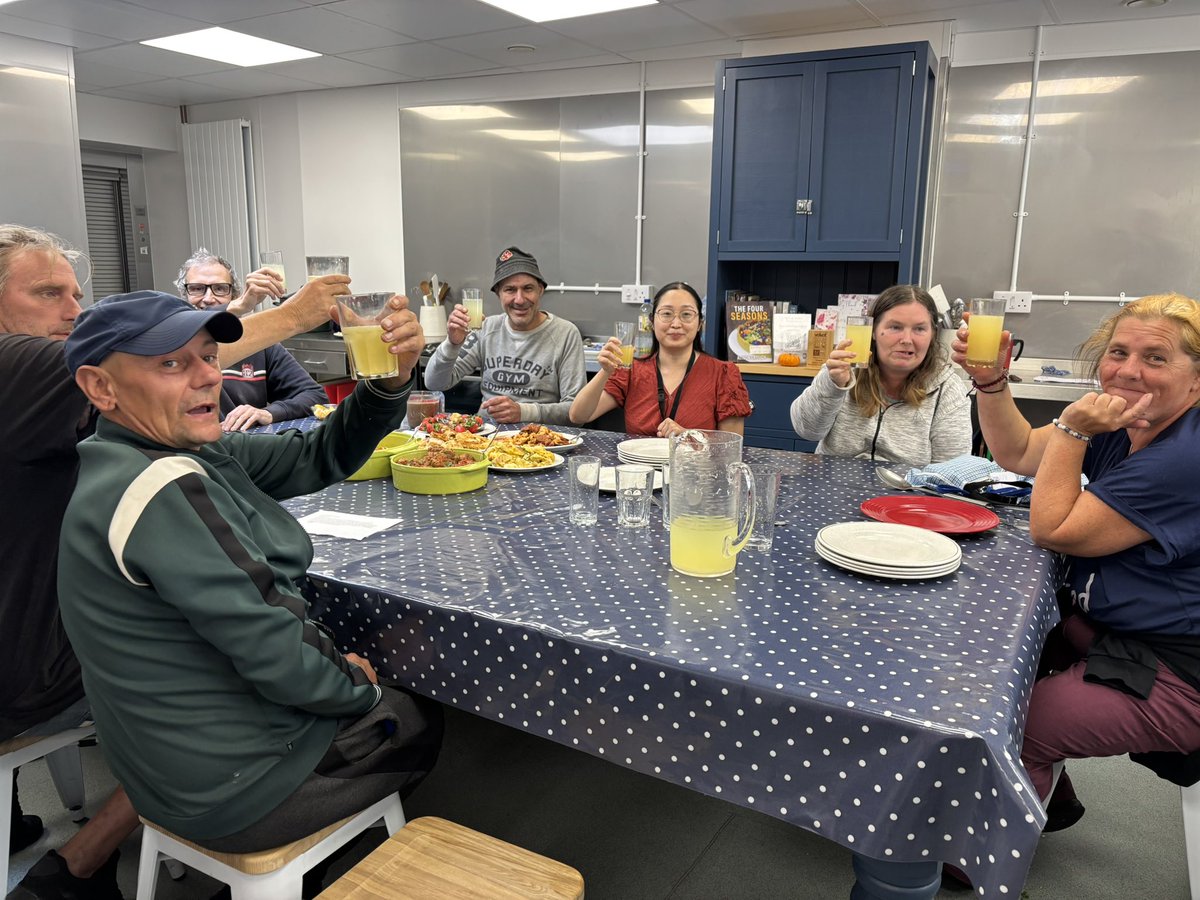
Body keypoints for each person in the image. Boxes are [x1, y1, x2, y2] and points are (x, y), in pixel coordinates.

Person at [0, 223, 352, 899]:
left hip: (47, 628)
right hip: (35, 663)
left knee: (202, 631)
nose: (72, 311)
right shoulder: (14, 367)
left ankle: (84, 854)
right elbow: (135, 363)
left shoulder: (115, 437)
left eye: (76, 293)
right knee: (224, 652)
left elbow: (281, 441)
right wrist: (296, 314)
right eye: (47, 293)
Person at [54, 291, 441, 862]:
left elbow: (318, 454)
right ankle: (328, 870)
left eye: (209, 356)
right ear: (100, 388)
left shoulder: (146, 452)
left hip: (161, 772)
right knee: (417, 717)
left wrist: (388, 383)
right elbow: (276, 648)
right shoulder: (161, 486)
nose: (207, 377)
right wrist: (360, 687)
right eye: (171, 363)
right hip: (235, 789)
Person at [954, 292, 1200, 832]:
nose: (1128, 371)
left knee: (1023, 720)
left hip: (1179, 669)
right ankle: (1046, 795)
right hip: (1119, 626)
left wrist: (1072, 429)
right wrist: (993, 384)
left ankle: (978, 860)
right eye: (1117, 353)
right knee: (998, 655)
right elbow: (1017, 453)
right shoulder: (1134, 424)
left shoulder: (1182, 457)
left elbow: (1054, 528)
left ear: (1196, 379)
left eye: (1155, 358)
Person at [789, 284, 971, 466]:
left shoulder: (947, 388)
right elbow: (807, 431)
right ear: (873, 331)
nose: (907, 340)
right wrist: (832, 386)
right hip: (834, 486)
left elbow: (950, 470)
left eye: (919, 329)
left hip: (908, 491)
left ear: (932, 335)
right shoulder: (844, 366)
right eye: (895, 327)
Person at [423, 246, 586, 425]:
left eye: (528, 288)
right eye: (510, 290)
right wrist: (452, 344)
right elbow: (434, 384)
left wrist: (524, 412)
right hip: (484, 436)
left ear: (540, 290)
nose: (520, 299)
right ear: (498, 293)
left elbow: (576, 411)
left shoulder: (565, 334)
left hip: (541, 442)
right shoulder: (486, 329)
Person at [569, 281, 751, 437]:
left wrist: (689, 437)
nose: (676, 323)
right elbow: (579, 416)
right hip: (639, 472)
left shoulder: (723, 374)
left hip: (696, 473)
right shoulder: (631, 371)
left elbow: (731, 445)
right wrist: (605, 371)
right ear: (651, 322)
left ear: (699, 325)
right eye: (666, 314)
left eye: (686, 314)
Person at [177, 248, 326, 431]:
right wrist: (240, 306)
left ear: (234, 293)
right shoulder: (172, 346)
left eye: (220, 289)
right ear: (183, 297)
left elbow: (314, 396)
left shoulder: (260, 344)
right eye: (197, 289)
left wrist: (269, 412)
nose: (208, 298)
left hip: (245, 449)